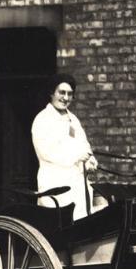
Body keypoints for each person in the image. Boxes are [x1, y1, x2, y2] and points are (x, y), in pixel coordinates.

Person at [31, 74, 98, 221]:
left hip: (78, 184)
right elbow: (46, 152)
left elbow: (84, 145)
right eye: (61, 92)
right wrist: (76, 157)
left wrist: (90, 160)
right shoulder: (42, 119)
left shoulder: (73, 119)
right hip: (55, 183)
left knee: (81, 223)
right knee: (60, 225)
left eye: (69, 94)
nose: (65, 98)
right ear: (52, 93)